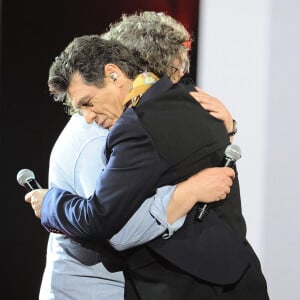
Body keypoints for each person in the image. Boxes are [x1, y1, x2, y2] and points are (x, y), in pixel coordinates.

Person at [25, 34, 269, 299]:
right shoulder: (188, 101)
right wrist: (190, 189)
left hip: (189, 284)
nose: (87, 117)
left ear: (114, 74)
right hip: (234, 274)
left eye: (87, 102)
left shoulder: (134, 127)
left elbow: (107, 224)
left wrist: (49, 201)